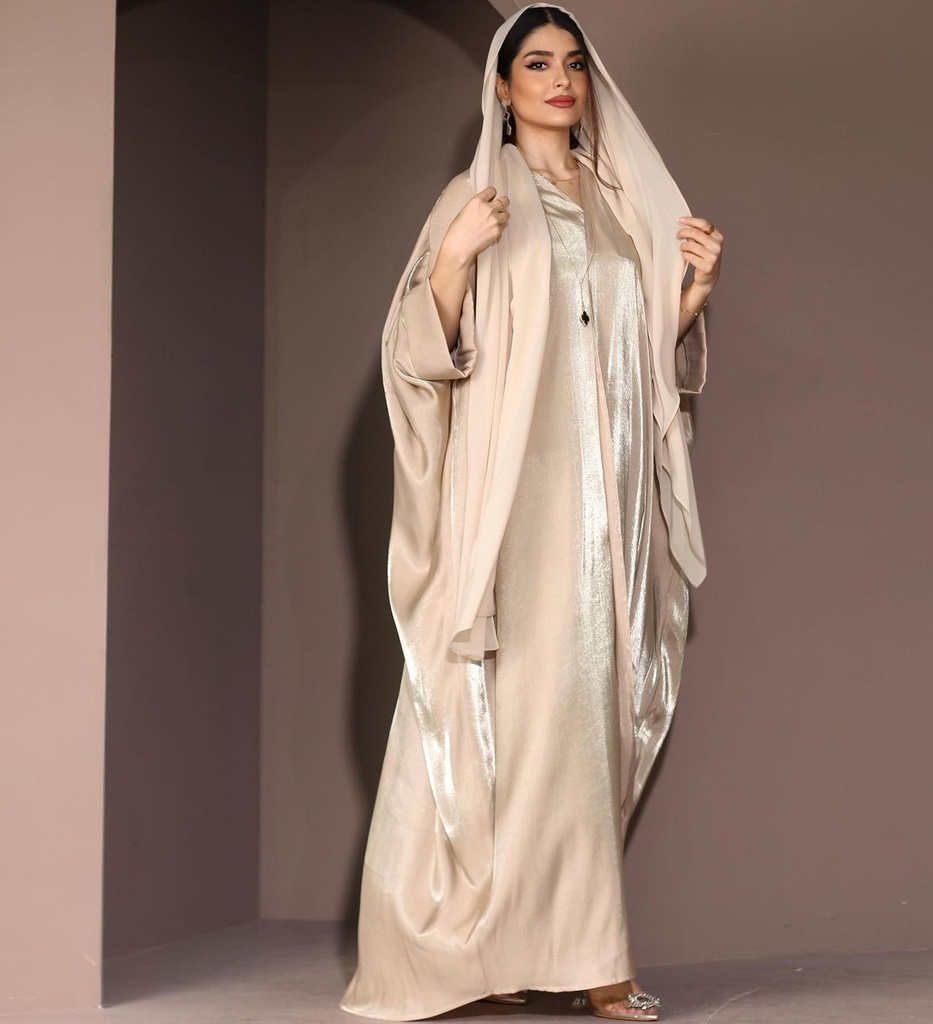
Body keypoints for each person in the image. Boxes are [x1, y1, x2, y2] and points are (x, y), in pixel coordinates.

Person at [340, 4, 723, 1020]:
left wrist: (687, 297)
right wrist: (454, 258)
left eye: (574, 65)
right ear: (503, 88)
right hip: (517, 497)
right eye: (538, 64)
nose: (560, 80)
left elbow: (632, 358)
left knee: (588, 715)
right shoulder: (473, 197)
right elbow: (414, 355)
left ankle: (556, 946)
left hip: (607, 501)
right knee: (512, 713)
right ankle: (567, 959)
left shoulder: (618, 204)